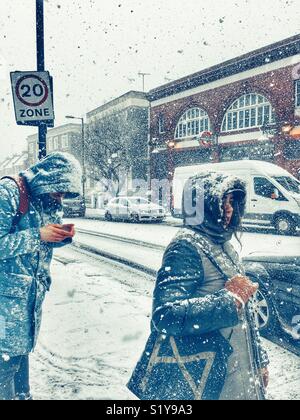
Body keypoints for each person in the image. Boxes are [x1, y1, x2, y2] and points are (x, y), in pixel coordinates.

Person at [128, 172, 269, 400]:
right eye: (221, 201)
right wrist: (229, 299)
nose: (229, 209)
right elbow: (165, 315)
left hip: (241, 370)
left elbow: (246, 314)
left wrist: (260, 362)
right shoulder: (185, 247)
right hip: (211, 376)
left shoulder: (223, 244)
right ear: (200, 204)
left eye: (232, 201)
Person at [0, 152, 82, 400]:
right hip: (5, 301)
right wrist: (39, 235)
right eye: (59, 190)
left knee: (19, 358)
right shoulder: (8, 193)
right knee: (5, 365)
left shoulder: (49, 200)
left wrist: (57, 237)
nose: (61, 197)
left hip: (28, 300)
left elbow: (40, 243)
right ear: (47, 178)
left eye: (66, 193)